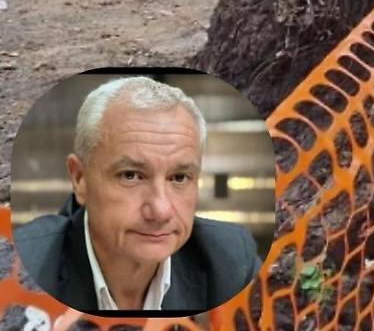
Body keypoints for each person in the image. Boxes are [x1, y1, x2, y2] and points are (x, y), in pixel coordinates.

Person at [14, 77, 261, 312]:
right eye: (131, 175)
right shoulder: (22, 266)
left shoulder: (230, 259)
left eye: (179, 178)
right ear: (80, 179)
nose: (161, 211)